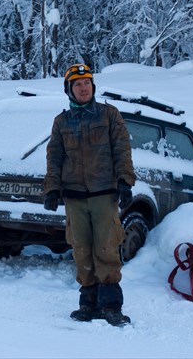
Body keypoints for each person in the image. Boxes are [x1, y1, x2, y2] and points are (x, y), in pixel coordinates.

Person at [43, 63, 136, 327]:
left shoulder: (109, 115)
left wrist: (125, 182)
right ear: (69, 90)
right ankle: (88, 303)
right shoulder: (61, 122)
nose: (83, 89)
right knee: (81, 250)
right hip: (74, 197)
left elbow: (122, 150)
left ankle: (110, 305)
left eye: (87, 84)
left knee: (106, 248)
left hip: (104, 195)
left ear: (93, 87)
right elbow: (55, 157)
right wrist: (51, 189)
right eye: (77, 85)